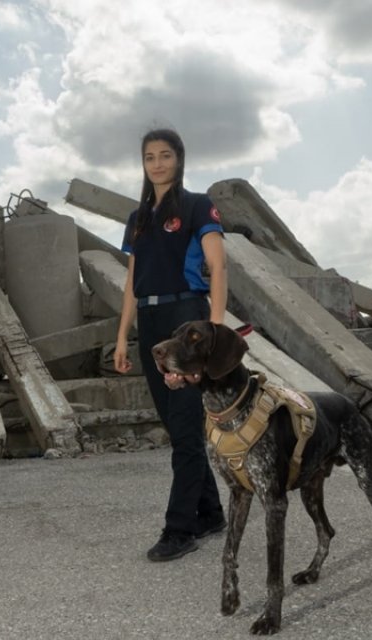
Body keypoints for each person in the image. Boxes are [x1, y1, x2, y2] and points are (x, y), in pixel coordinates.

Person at [114, 128, 228, 562]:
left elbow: (217, 266)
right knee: (179, 426)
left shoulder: (198, 206)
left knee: (183, 429)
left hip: (186, 320)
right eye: (149, 157)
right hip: (150, 319)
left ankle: (179, 529)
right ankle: (212, 512)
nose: (158, 164)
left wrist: (213, 330)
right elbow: (130, 282)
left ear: (179, 159)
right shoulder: (137, 217)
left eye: (165, 155)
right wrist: (123, 335)